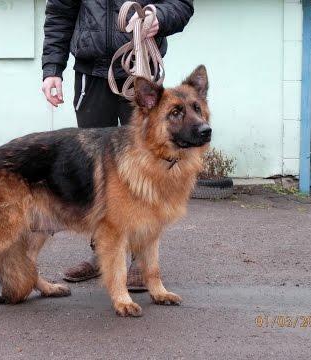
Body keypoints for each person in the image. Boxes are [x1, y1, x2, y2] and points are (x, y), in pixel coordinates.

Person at [41, 0, 194, 290]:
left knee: (148, 170)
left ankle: (140, 261)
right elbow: (60, 12)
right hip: (91, 74)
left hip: (142, 72)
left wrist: (159, 17)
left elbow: (181, 4)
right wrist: (52, 69)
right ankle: (101, 253)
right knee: (96, 175)